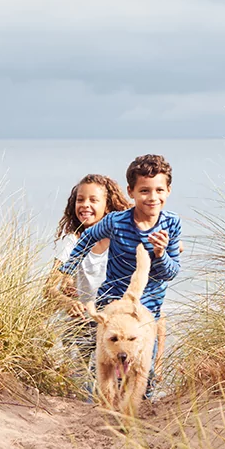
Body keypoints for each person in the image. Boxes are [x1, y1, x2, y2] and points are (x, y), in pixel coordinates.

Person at [59, 154, 182, 397]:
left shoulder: (172, 224)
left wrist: (160, 253)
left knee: (142, 377)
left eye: (159, 190)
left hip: (147, 309)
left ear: (168, 191)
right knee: (105, 368)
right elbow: (87, 238)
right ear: (131, 192)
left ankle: (138, 408)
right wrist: (67, 270)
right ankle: (101, 410)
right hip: (112, 304)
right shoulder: (116, 222)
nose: (152, 197)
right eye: (144, 190)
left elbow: (170, 273)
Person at [46, 174, 131, 372]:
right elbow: (49, 288)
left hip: (116, 324)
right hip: (83, 324)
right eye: (80, 199)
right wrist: (68, 303)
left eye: (93, 200)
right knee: (83, 384)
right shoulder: (72, 242)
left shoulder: (121, 239)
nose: (85, 204)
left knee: (121, 381)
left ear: (107, 206)